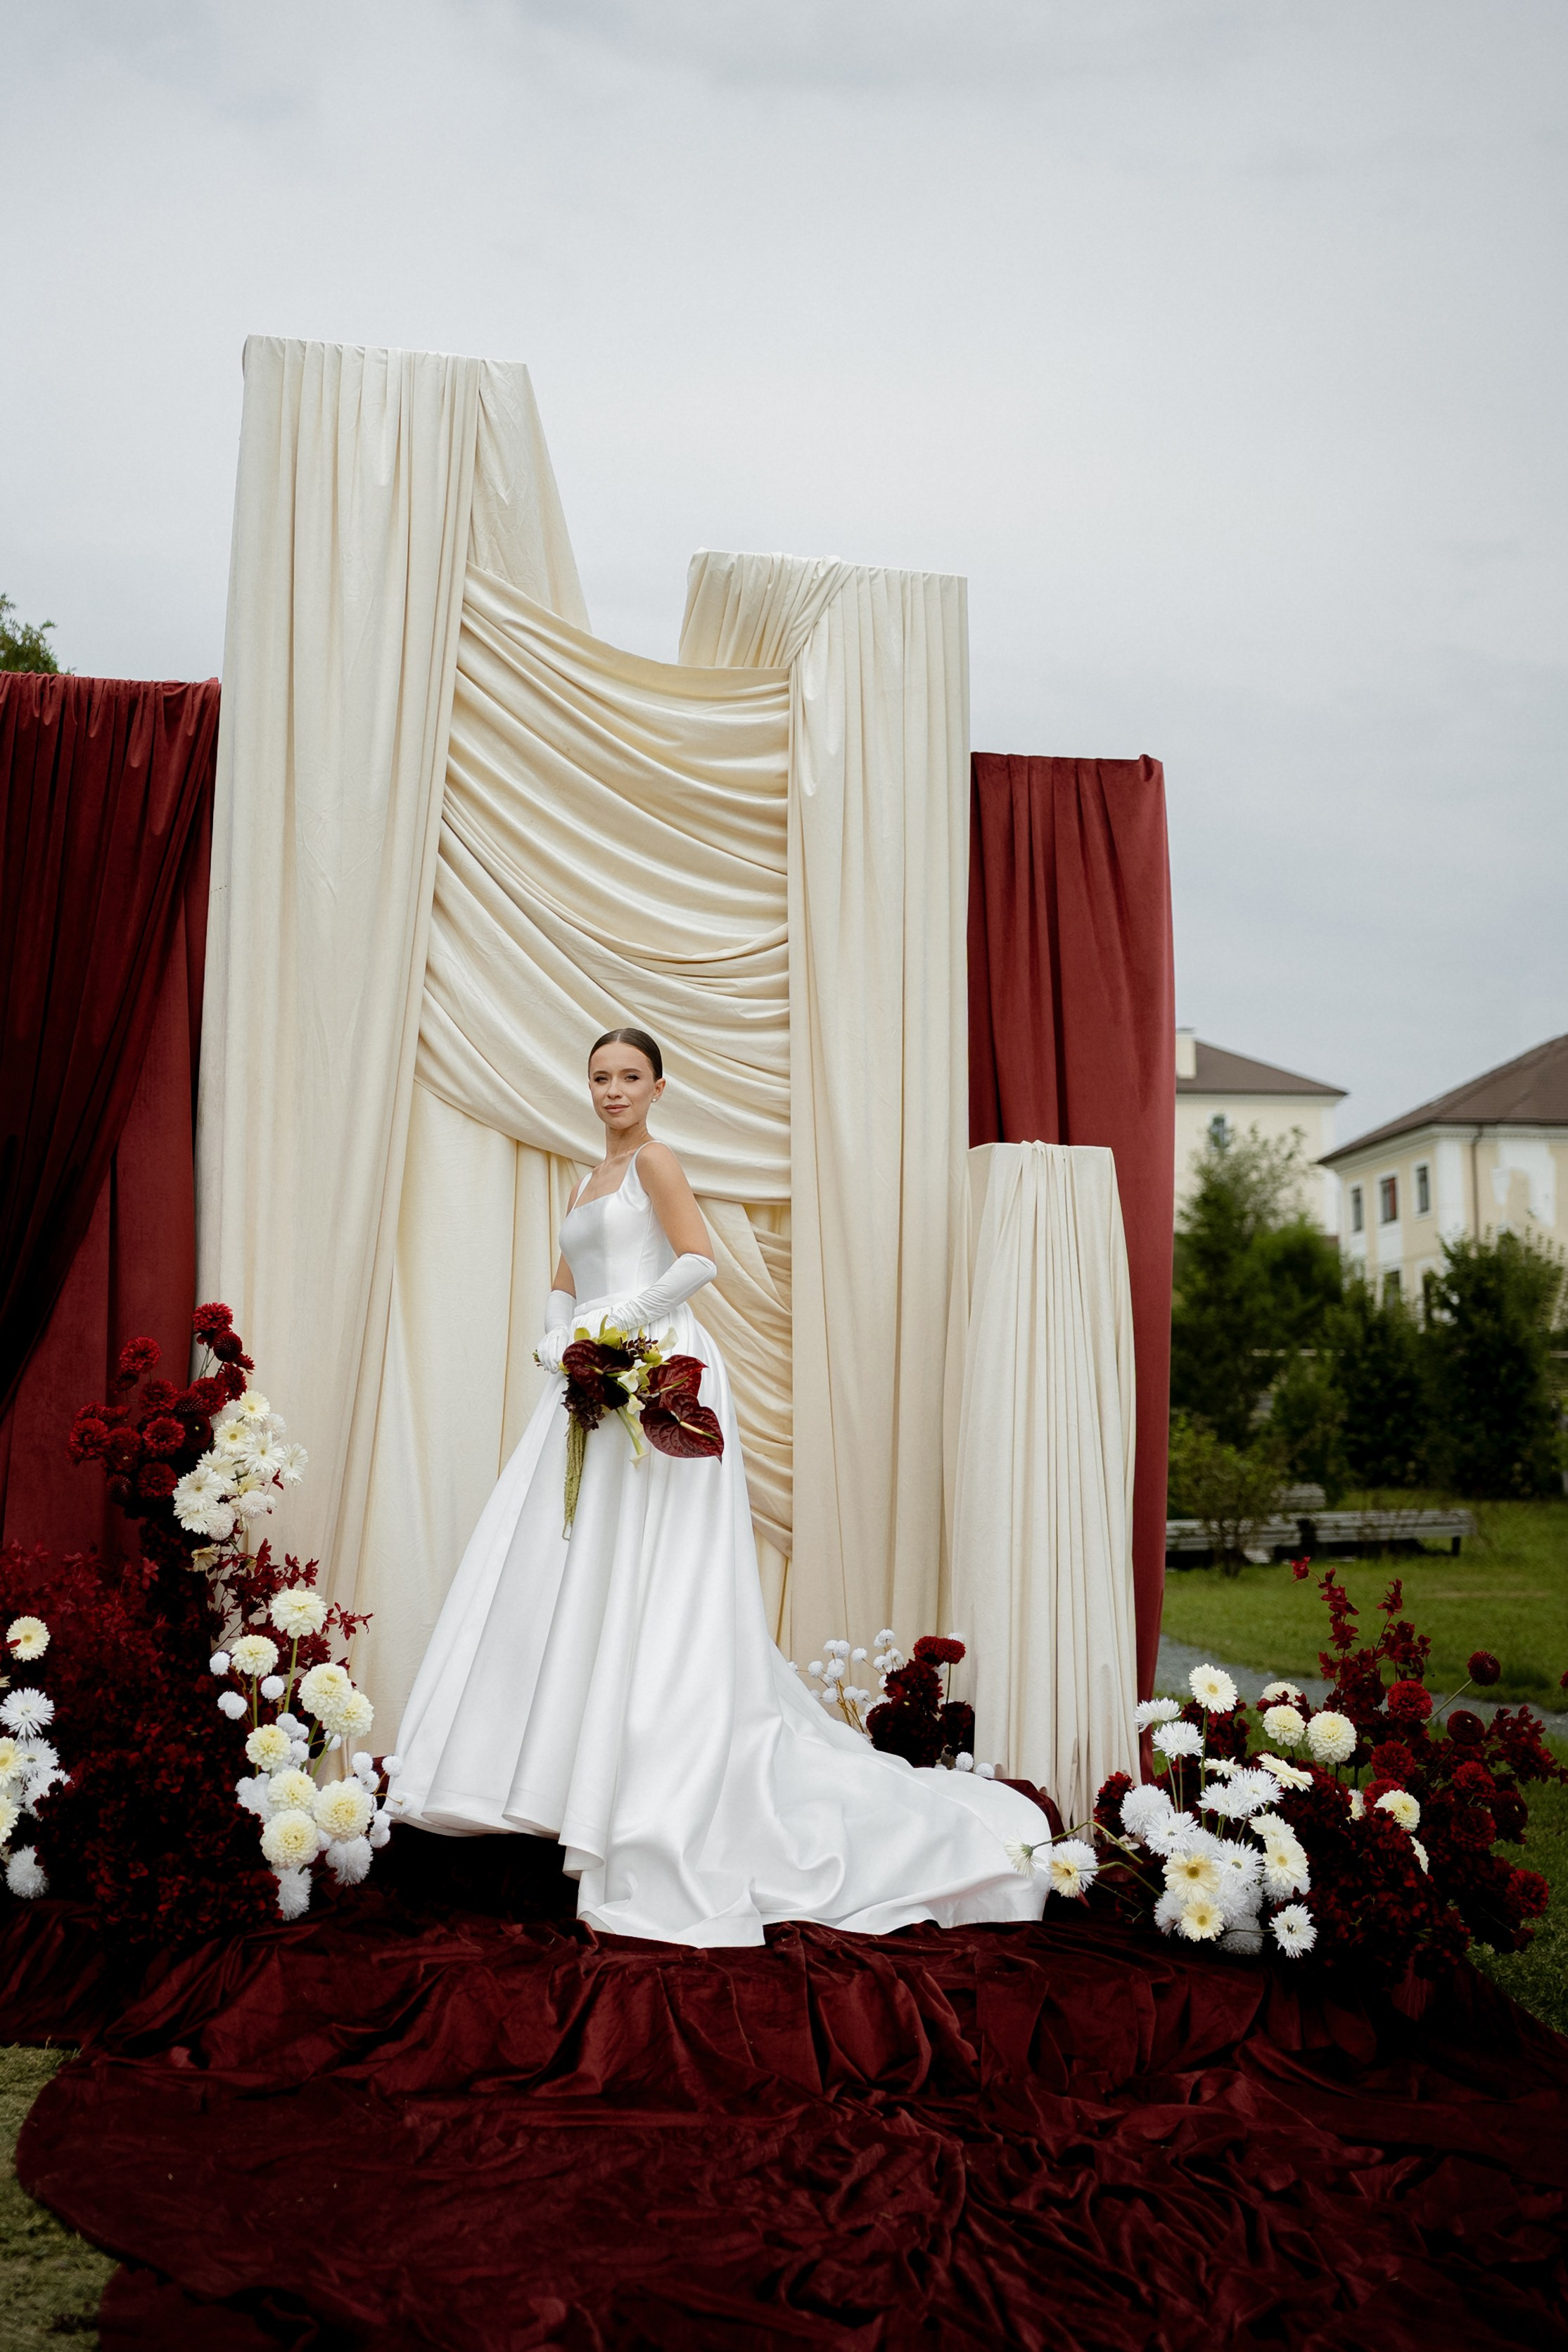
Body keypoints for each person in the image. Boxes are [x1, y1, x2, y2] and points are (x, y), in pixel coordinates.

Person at [392, 1026, 1047, 1944]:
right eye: (600, 1078)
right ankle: (553, 1774)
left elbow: (695, 1261)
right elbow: (562, 1275)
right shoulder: (584, 1177)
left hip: (660, 1369)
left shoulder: (655, 1163)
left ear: (658, 1087)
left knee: (651, 1570)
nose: (613, 1091)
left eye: (628, 1077)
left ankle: (649, 1779)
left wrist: (616, 1321)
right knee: (564, 1559)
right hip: (588, 1378)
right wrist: (555, 1334)